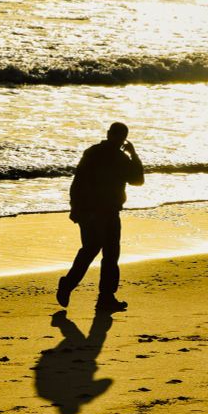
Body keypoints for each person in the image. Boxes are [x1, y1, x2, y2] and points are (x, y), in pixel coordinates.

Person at [57, 122, 144, 312]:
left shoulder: (92, 152)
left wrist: (75, 208)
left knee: (90, 249)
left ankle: (69, 284)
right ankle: (105, 297)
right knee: (110, 255)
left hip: (88, 211)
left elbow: (77, 181)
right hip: (106, 212)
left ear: (108, 134)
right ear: (123, 139)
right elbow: (138, 180)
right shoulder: (120, 158)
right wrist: (133, 154)